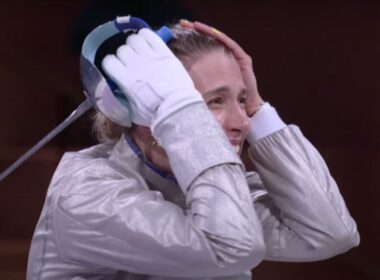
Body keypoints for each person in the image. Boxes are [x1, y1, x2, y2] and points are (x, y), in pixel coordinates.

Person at [27, 19, 360, 279]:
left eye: (241, 100)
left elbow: (332, 233)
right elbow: (232, 247)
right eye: (215, 101)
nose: (242, 123)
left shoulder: (221, 187)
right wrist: (180, 110)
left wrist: (259, 109)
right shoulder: (86, 194)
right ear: (147, 111)